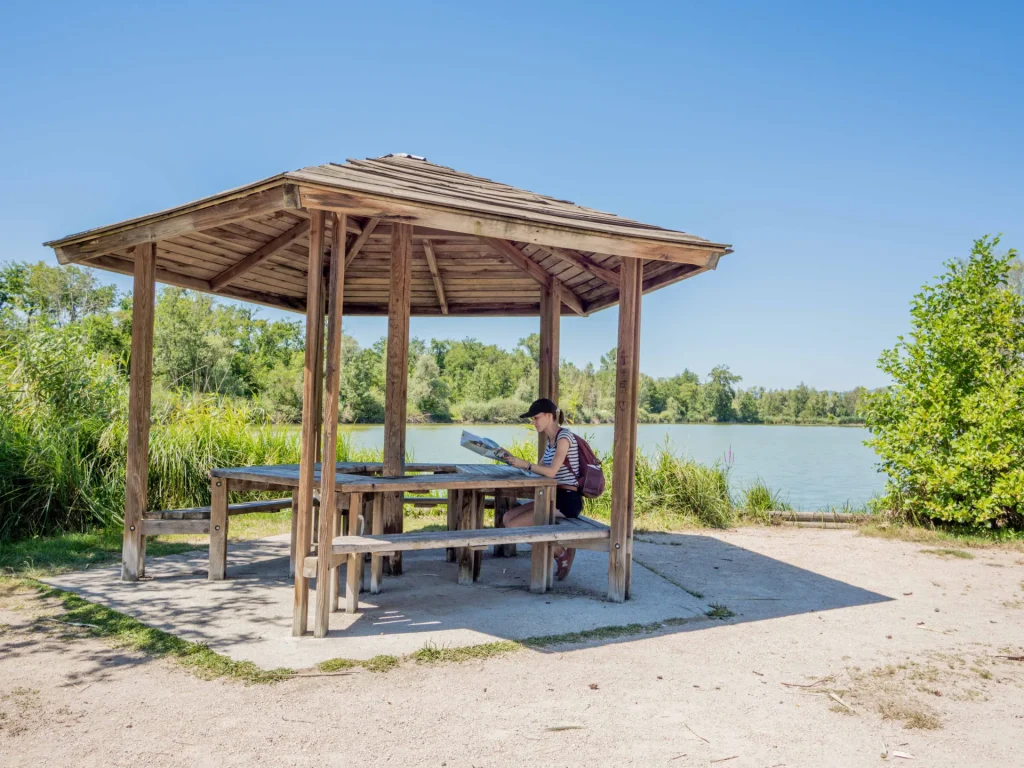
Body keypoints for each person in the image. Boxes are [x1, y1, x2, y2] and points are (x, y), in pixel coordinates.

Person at [499, 397, 581, 580]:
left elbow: (551, 472)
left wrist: (526, 464)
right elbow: (538, 471)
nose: (533, 422)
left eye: (536, 418)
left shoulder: (564, 437)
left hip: (567, 500)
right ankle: (560, 551)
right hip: (551, 496)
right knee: (507, 518)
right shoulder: (551, 441)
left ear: (549, 416)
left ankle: (560, 553)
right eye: (532, 419)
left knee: (514, 526)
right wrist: (513, 460)